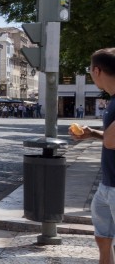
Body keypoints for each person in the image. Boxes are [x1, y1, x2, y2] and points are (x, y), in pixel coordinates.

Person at [70, 48, 115, 264]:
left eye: (89, 70)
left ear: (96, 70)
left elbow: (111, 141)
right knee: (102, 237)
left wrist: (102, 137)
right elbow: (109, 138)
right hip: (107, 185)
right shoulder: (112, 99)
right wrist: (91, 134)